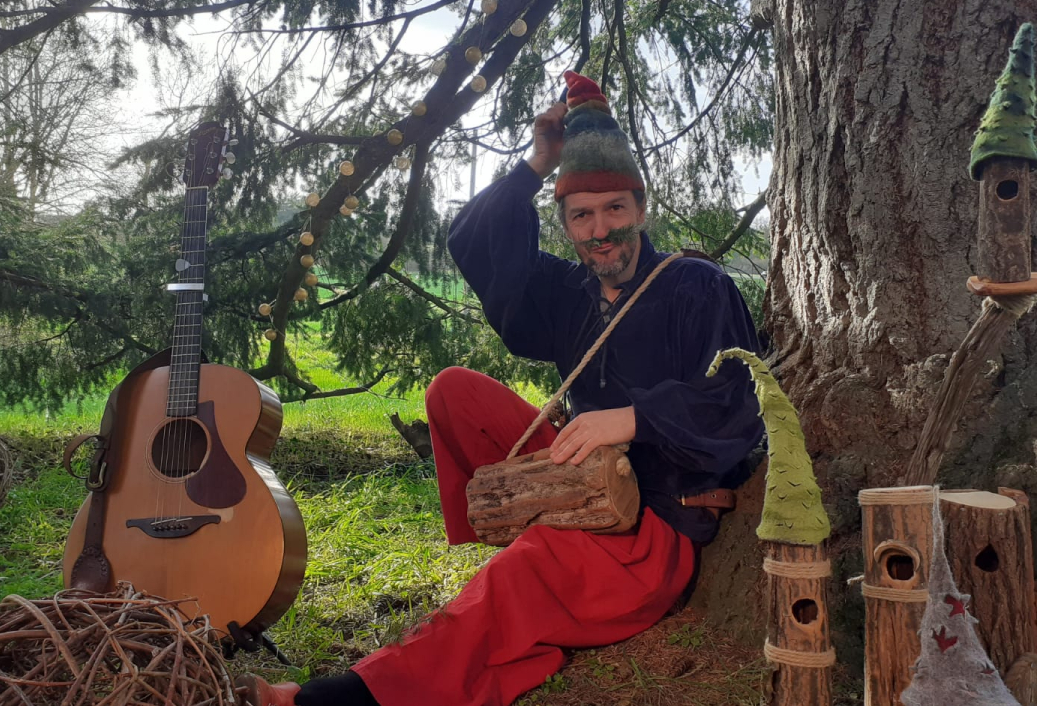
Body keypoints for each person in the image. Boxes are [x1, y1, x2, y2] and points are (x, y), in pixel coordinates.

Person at [238, 70, 765, 706]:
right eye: (582, 215)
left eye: (615, 210)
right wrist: (535, 164)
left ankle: (335, 698)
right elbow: (475, 242)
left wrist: (632, 418)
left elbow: (741, 406)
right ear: (565, 224)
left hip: (653, 523)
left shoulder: (697, 287)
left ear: (641, 209)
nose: (601, 231)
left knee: (522, 575)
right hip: (575, 483)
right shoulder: (568, 291)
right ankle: (515, 532)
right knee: (452, 392)